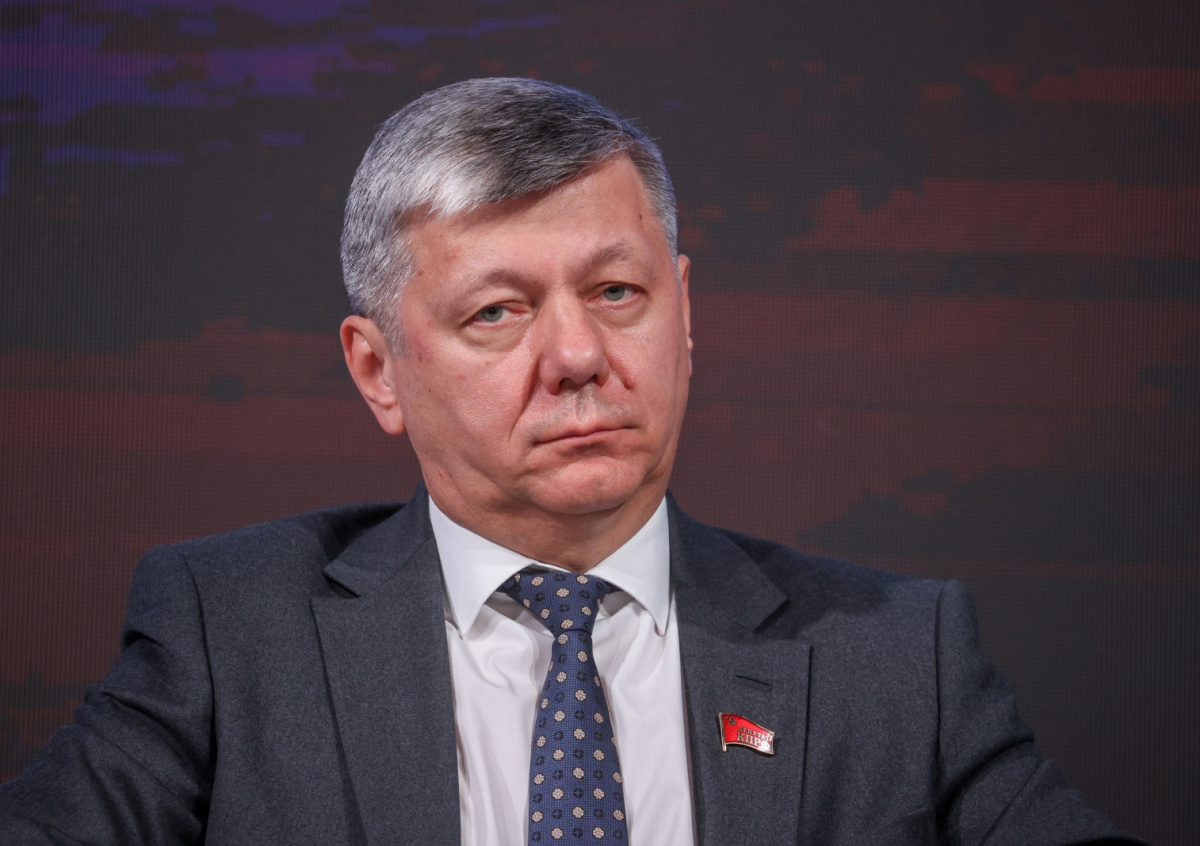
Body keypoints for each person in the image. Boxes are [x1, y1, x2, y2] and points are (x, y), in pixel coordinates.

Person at [0, 78, 1141, 845]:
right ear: (377, 369)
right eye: (497, 312)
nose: (581, 356)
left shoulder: (896, 657)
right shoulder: (231, 632)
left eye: (616, 292)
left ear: (683, 313)